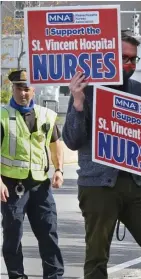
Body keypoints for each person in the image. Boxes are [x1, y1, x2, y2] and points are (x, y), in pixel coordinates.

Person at [62, 31, 141, 278]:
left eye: (134, 59)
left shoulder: (138, 90)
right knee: (96, 260)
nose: (130, 64)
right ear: (109, 58)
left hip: (137, 185)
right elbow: (71, 141)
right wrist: (78, 102)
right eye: (124, 58)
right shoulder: (87, 89)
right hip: (99, 185)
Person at [1, 70, 65, 279]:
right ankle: (17, 276)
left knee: (48, 232)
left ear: (34, 89)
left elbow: (56, 144)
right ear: (13, 88)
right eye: (19, 88)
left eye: (27, 88)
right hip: (11, 185)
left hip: (40, 185)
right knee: (13, 235)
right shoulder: (2, 116)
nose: (23, 93)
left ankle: (54, 276)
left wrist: (59, 170)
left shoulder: (46, 115)